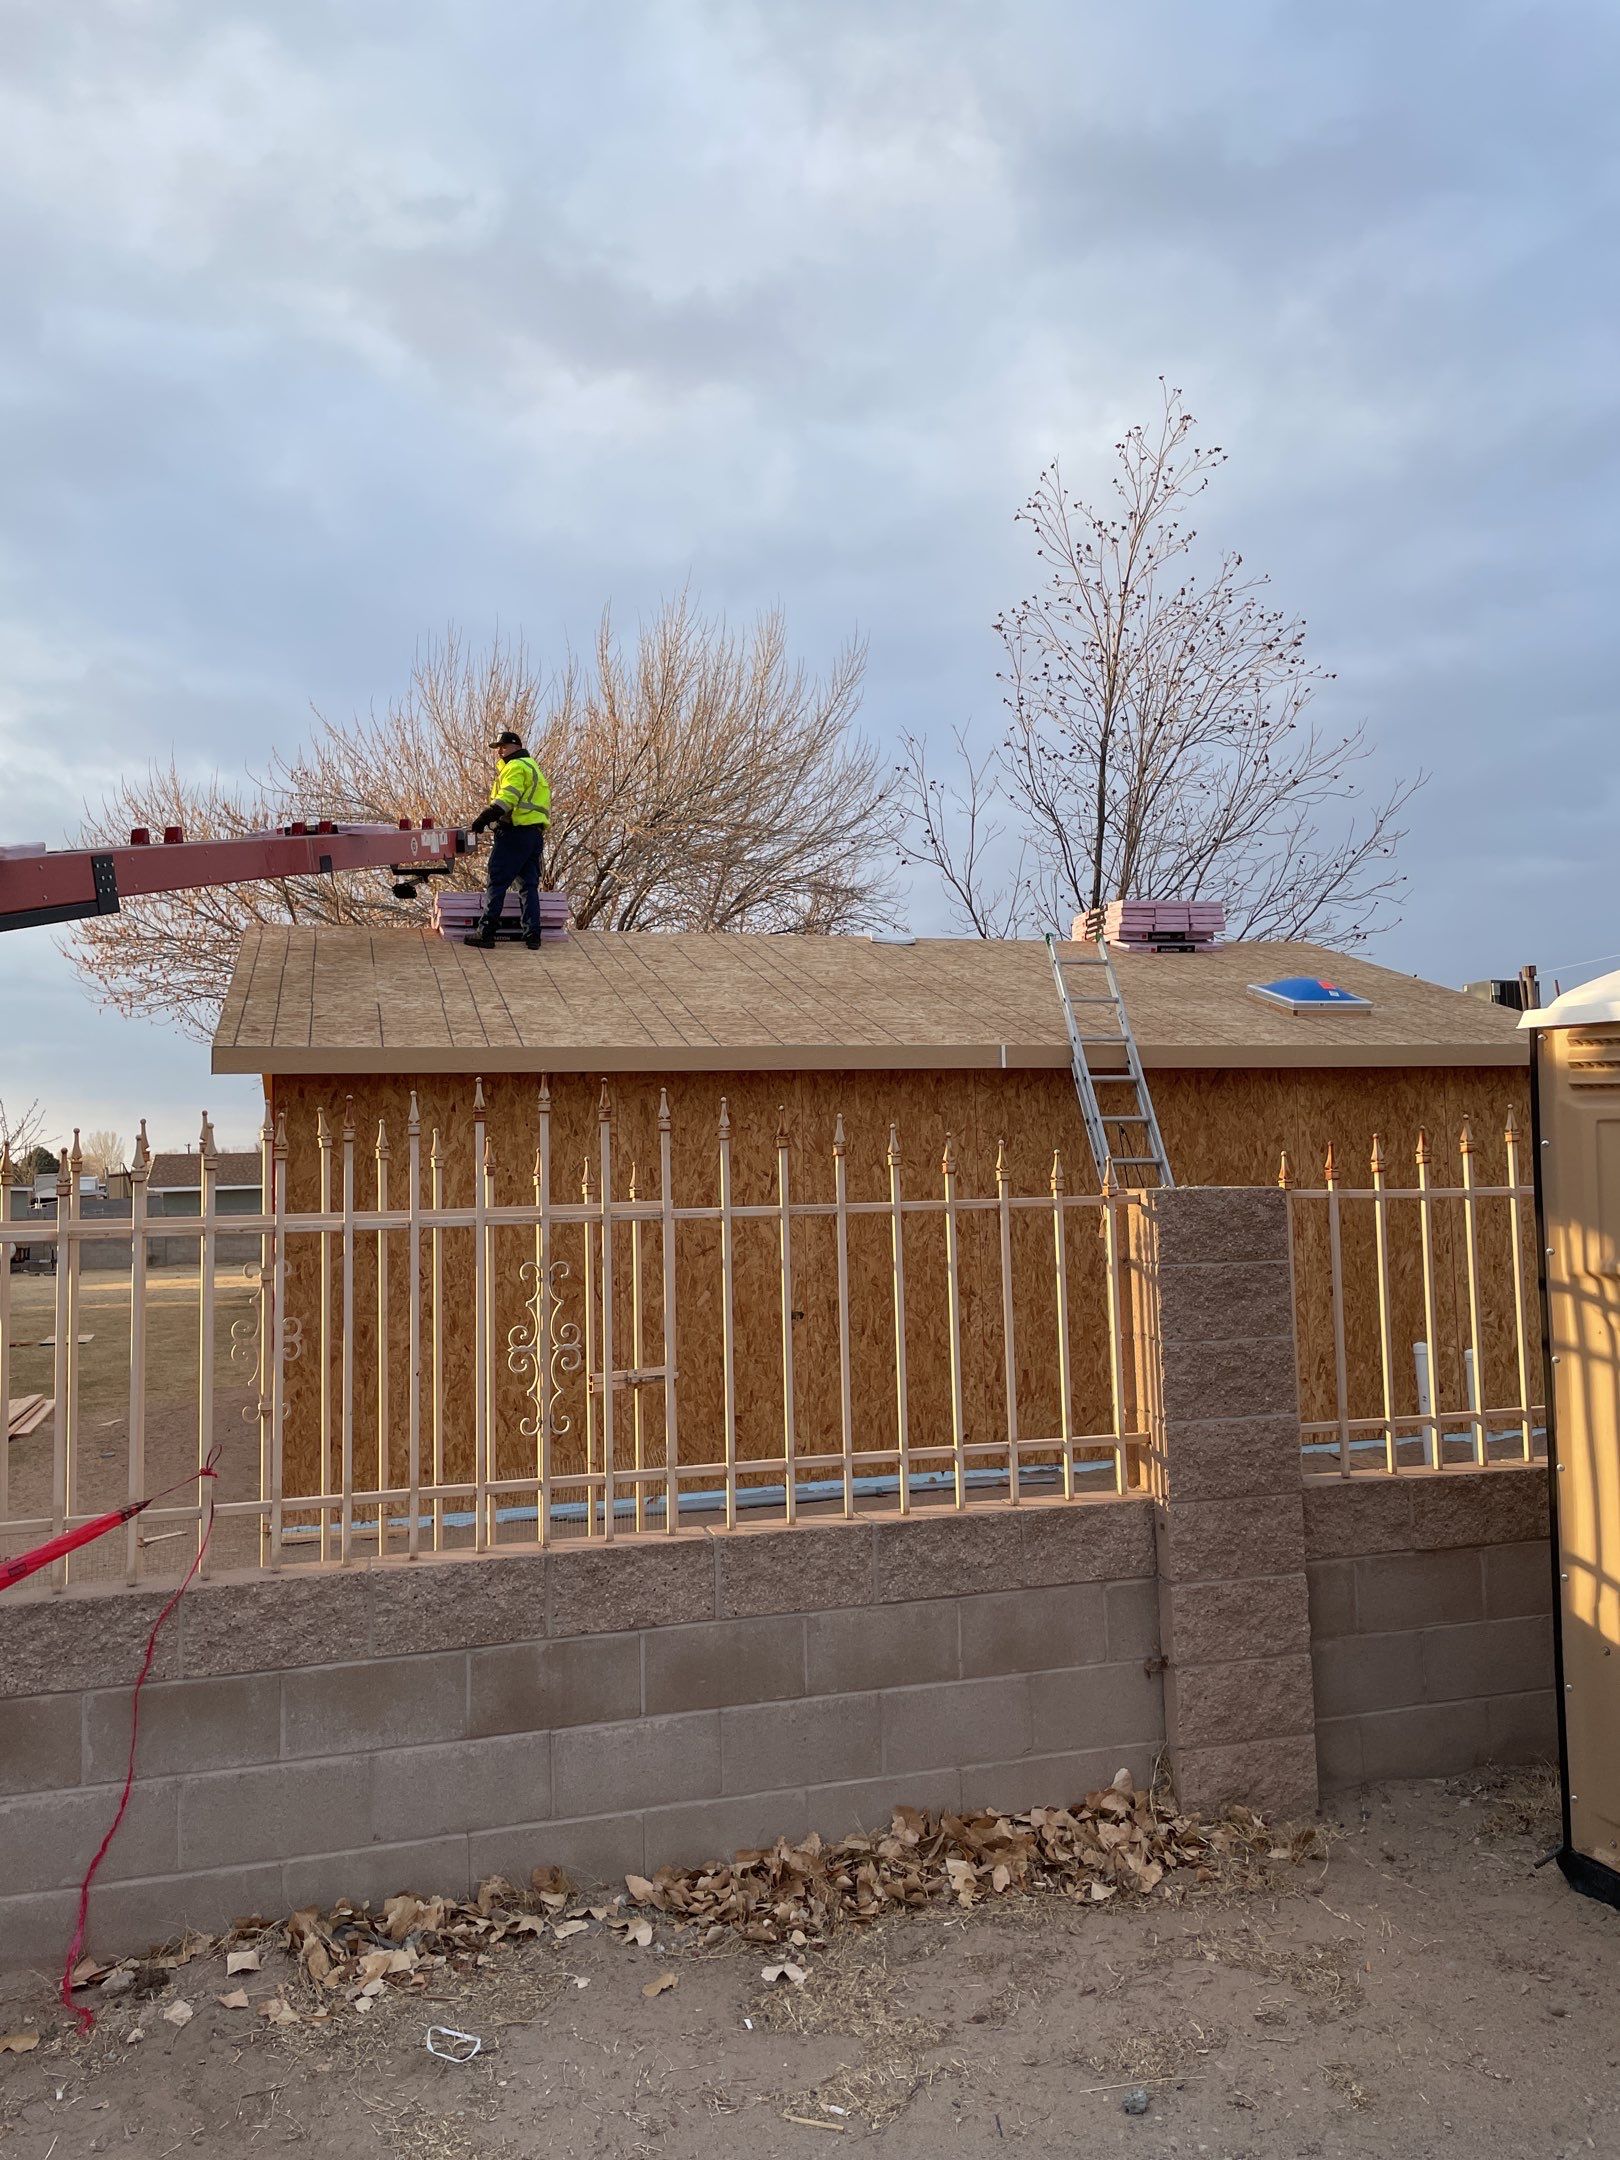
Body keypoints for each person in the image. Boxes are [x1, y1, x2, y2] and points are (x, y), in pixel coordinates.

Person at [466, 731, 551, 949]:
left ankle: (486, 933)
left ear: (515, 746)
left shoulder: (515, 767)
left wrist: (484, 818)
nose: (500, 752)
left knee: (497, 881)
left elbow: (508, 799)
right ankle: (532, 936)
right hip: (533, 835)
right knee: (528, 885)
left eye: (503, 747)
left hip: (515, 833)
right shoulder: (534, 768)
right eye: (498, 748)